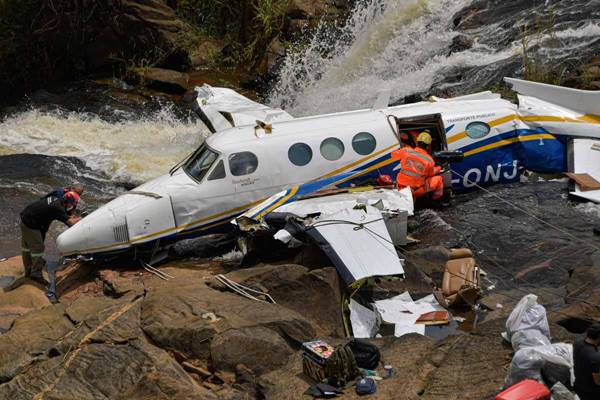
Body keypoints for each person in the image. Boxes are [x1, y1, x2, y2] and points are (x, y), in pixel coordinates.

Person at [17, 186, 82, 287]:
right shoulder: (57, 208)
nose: (72, 207)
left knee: (26, 247)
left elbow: (60, 213)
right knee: (38, 249)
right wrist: (81, 218)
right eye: (72, 205)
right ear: (68, 203)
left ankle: (28, 270)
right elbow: (70, 222)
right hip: (31, 225)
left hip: (26, 218)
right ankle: (36, 275)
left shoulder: (57, 198)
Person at [392, 132, 443, 202]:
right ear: (428, 146)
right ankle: (435, 201)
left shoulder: (406, 150)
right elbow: (430, 174)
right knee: (439, 179)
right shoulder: (429, 160)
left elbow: (392, 155)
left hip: (400, 187)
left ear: (417, 143)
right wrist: (439, 167)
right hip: (415, 191)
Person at [574, 323, 600, 400]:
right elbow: (598, 381)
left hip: (579, 385)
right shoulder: (595, 357)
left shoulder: (577, 342)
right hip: (591, 392)